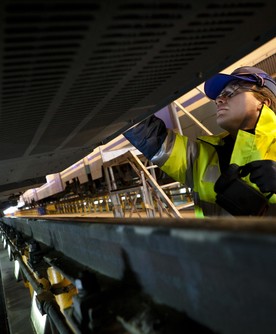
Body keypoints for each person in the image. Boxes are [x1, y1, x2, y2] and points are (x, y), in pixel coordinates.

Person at [124, 66, 276, 217]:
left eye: (231, 92)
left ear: (264, 102)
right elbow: (153, 138)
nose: (219, 100)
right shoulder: (203, 157)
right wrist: (121, 99)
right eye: (220, 95)